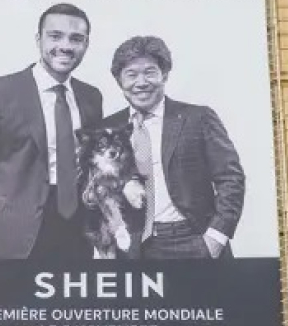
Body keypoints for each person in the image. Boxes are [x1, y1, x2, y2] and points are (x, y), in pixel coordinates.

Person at [0, 2, 105, 262]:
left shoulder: (91, 97)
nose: (66, 46)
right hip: (13, 231)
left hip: (77, 229)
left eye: (76, 39)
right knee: (12, 303)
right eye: (55, 36)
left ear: (86, 45)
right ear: (39, 39)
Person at [96, 35, 245, 260]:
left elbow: (231, 179)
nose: (141, 82)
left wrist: (215, 238)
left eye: (150, 72)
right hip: (133, 248)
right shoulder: (107, 128)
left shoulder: (198, 118)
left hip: (193, 239)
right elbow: (95, 184)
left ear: (164, 75)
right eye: (131, 74)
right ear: (119, 81)